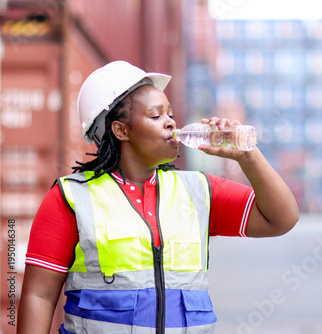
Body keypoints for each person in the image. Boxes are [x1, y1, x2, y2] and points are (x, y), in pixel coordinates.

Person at [18, 60, 299, 334]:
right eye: (156, 116)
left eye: (171, 115)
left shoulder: (198, 190)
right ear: (121, 130)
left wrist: (245, 155)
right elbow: (39, 297)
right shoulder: (70, 198)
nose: (170, 123)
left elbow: (281, 219)